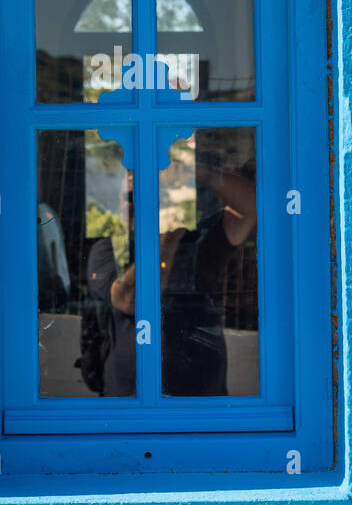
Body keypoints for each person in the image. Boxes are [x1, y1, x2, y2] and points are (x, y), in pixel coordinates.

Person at [84, 157, 256, 397]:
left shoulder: (198, 241)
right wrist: (169, 231)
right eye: (131, 197)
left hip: (198, 400)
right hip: (130, 402)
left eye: (153, 194)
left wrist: (196, 172)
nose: (139, 205)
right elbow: (131, 300)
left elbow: (250, 206)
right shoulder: (108, 249)